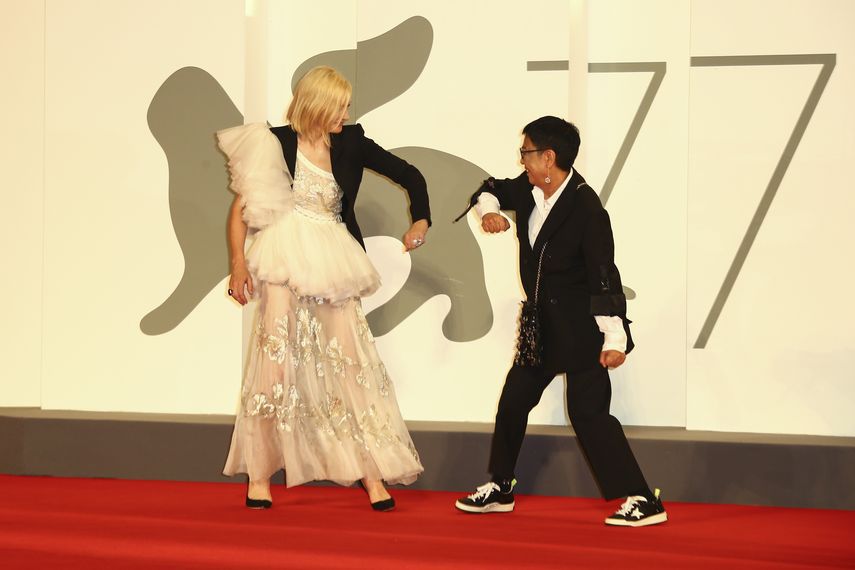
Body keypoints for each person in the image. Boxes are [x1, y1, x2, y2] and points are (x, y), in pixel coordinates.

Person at [218, 66, 430, 511]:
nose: (346, 114)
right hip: (283, 255)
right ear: (316, 105)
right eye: (340, 106)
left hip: (334, 258)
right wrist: (239, 264)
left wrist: (420, 219)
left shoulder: (351, 142)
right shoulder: (274, 141)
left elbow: (410, 174)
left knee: (351, 364)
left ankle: (371, 474)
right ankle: (260, 476)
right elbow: (241, 210)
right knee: (274, 363)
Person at [454, 116, 667, 527]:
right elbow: (488, 189)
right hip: (540, 327)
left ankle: (644, 498)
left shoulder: (586, 208)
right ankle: (500, 487)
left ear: (548, 158)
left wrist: (614, 336)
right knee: (514, 402)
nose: (522, 160)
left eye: (527, 152)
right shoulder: (532, 189)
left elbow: (604, 274)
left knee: (588, 415)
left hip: (579, 328)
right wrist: (489, 211)